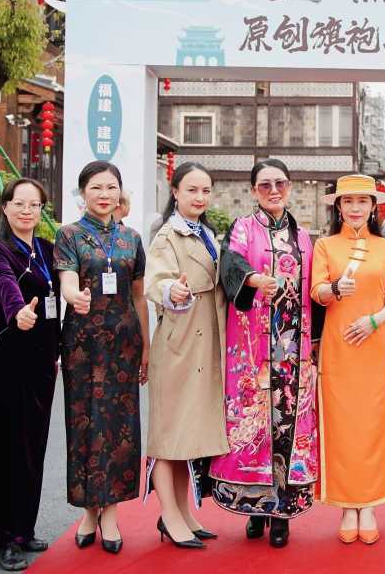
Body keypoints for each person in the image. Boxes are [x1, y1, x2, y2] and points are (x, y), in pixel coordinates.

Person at [211, 159, 319, 549]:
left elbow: (314, 288)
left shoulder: (303, 236)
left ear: (290, 187)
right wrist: (255, 279)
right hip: (253, 350)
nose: (274, 191)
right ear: (253, 190)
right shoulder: (243, 228)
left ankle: (281, 514)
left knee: (288, 428)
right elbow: (231, 263)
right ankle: (255, 509)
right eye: (264, 185)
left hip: (294, 351)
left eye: (280, 184)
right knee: (255, 429)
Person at [55, 161, 149, 555]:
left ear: (119, 192)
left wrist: (146, 346)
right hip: (83, 345)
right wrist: (73, 296)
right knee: (84, 423)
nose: (104, 194)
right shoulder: (69, 234)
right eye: (96, 187)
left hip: (124, 346)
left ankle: (109, 511)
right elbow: (66, 279)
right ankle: (89, 510)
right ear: (83, 193)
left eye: (111, 187)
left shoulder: (131, 238)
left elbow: (139, 296)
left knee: (118, 427)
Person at [0, 178, 60, 571]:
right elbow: (3, 284)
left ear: (41, 210)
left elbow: (62, 292)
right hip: (7, 356)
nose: (26, 210)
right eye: (19, 203)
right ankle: (2, 537)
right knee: (4, 445)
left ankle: (24, 527)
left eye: (34, 204)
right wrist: (17, 310)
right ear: (5, 207)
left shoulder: (47, 249)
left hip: (42, 360)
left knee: (32, 445)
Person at [310, 174, 385, 545]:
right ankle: (347, 505)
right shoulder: (325, 245)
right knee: (341, 426)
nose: (354, 208)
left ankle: (370, 505)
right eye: (347, 201)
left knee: (374, 426)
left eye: (362, 201)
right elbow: (316, 291)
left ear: (373, 206)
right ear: (338, 206)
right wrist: (333, 289)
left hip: (375, 345)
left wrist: (375, 321)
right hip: (338, 348)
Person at [143, 162, 228, 550]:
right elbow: (157, 280)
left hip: (204, 339)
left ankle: (182, 512)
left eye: (206, 190)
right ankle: (169, 515)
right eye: (192, 190)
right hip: (180, 342)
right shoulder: (167, 235)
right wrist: (171, 292)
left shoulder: (206, 232)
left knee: (186, 434)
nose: (200, 197)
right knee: (169, 434)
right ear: (175, 192)